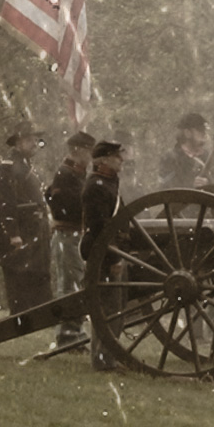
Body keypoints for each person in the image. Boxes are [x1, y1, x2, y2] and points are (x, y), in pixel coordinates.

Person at [0, 121, 51, 314]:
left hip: (32, 231)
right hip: (18, 234)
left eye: (35, 139)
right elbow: (5, 204)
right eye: (29, 139)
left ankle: (40, 316)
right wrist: (13, 234)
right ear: (18, 143)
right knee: (19, 283)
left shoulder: (25, 166)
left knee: (36, 278)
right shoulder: (6, 169)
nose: (34, 143)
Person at [45, 130, 97, 348]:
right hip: (67, 236)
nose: (91, 157)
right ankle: (68, 335)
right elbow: (66, 206)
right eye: (88, 152)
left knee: (73, 284)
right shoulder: (66, 174)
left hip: (73, 235)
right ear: (77, 150)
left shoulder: (76, 173)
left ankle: (72, 333)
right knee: (70, 286)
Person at [81, 140, 126, 371]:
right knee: (107, 310)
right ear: (105, 160)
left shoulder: (109, 182)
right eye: (117, 156)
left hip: (109, 250)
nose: (122, 160)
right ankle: (102, 359)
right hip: (102, 254)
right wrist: (115, 258)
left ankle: (106, 356)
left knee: (112, 309)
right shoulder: (96, 186)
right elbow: (101, 228)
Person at [158, 112, 211, 189]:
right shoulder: (171, 158)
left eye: (204, 130)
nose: (203, 134)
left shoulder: (207, 157)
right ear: (187, 133)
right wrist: (190, 185)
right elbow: (166, 188)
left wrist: (209, 184)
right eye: (199, 130)